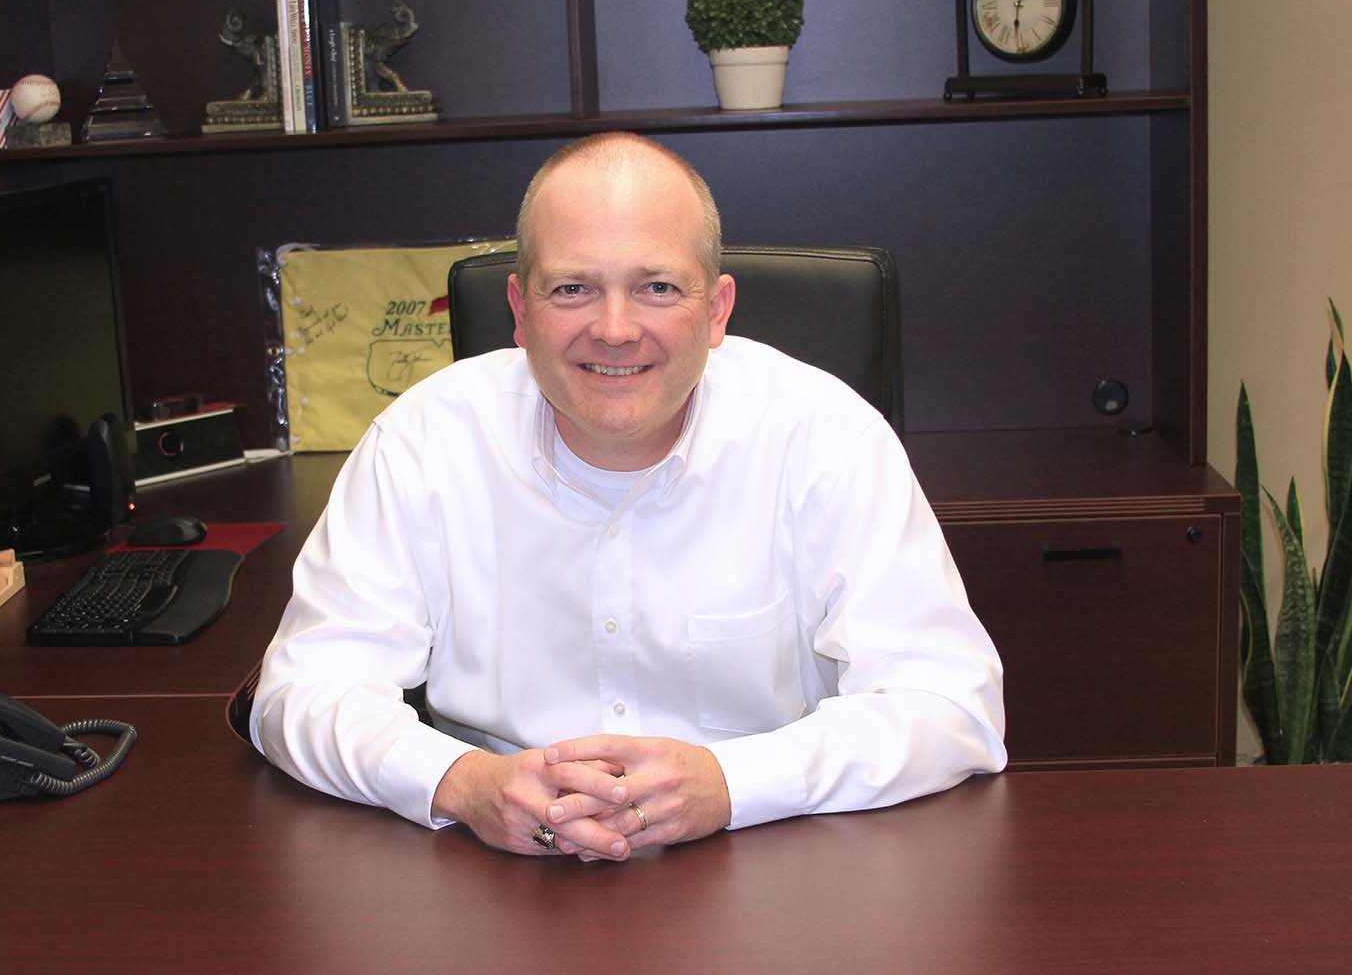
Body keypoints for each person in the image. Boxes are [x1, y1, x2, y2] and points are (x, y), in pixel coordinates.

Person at [250, 132, 1005, 862]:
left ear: (716, 310)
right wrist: (461, 782)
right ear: (519, 308)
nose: (614, 330)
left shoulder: (824, 436)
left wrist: (729, 784)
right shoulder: (423, 441)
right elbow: (300, 694)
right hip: (498, 870)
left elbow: (951, 705)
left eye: (657, 288)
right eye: (572, 288)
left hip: (773, 861)